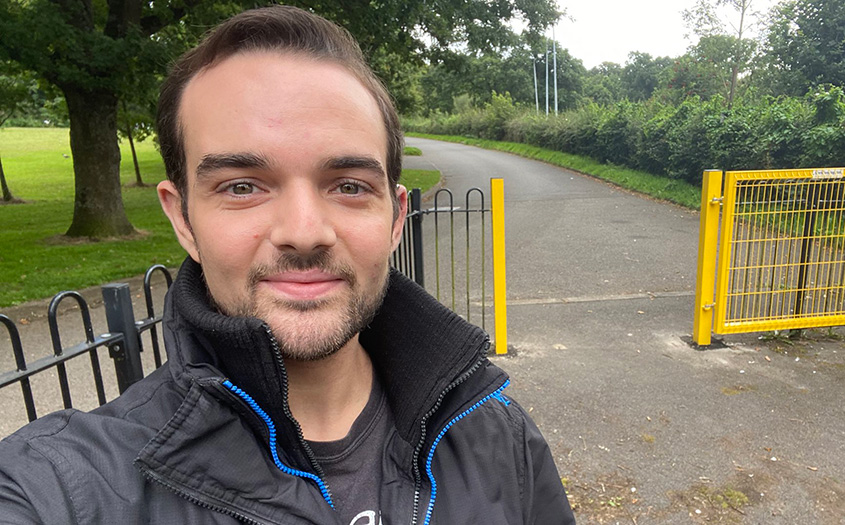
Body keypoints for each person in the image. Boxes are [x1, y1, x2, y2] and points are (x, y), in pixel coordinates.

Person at [0, 6, 574, 524]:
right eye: (244, 186)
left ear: (396, 219)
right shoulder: (63, 488)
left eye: (349, 186)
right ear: (183, 221)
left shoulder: (498, 436)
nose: (304, 233)